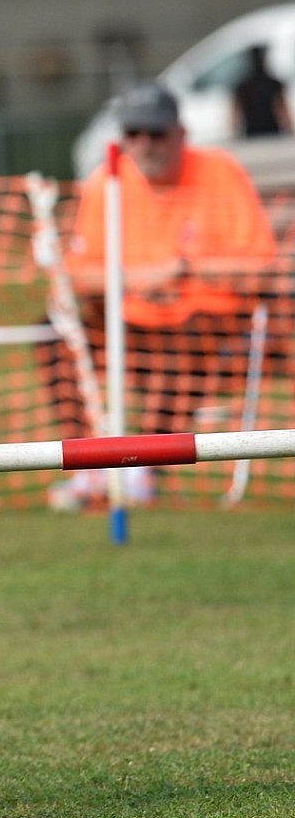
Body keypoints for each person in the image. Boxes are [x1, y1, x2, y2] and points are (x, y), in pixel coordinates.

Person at [41, 83, 277, 509]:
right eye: (134, 133)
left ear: (180, 134)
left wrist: (183, 271)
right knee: (53, 333)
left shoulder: (221, 172)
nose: (145, 144)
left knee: (183, 337)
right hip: (131, 316)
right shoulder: (106, 182)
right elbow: (76, 277)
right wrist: (140, 280)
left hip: (207, 320)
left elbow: (260, 268)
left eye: (156, 133)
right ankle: (89, 464)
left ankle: (144, 467)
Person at [233, 44, 291, 138]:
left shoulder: (243, 86)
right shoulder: (273, 84)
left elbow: (236, 115)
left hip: (253, 134)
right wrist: (289, 130)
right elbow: (282, 110)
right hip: (272, 134)